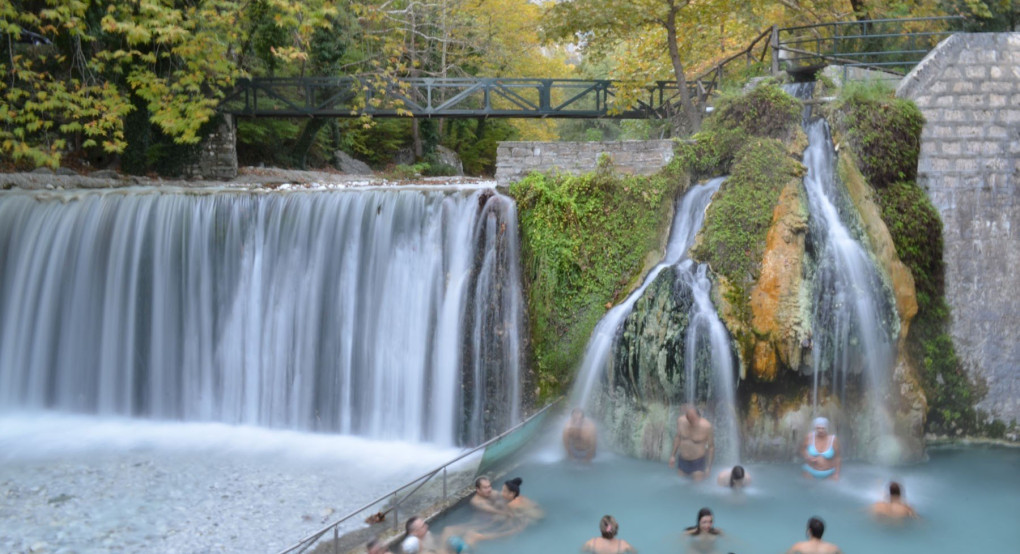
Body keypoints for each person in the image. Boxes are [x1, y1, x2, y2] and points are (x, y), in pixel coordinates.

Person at [669, 405, 715, 481]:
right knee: (680, 483)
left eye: (693, 419)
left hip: (698, 462)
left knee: (697, 486)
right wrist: (673, 456)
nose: (691, 421)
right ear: (686, 417)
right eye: (689, 419)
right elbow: (678, 437)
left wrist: (708, 467)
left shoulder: (707, 426)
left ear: (699, 417)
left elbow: (711, 447)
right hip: (683, 461)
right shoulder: (681, 421)